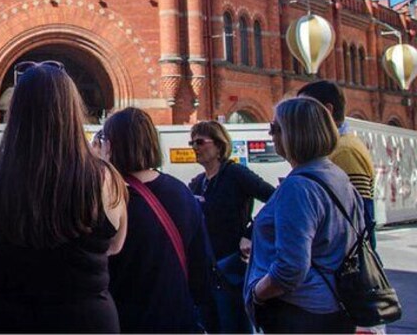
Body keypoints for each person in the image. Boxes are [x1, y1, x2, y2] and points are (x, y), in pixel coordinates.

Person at [0, 62, 127, 333]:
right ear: (72, 110)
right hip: (84, 320)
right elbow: (114, 245)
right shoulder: (105, 177)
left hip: (1, 318)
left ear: (16, 113)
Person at [245, 96, 363, 333]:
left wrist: (257, 293)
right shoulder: (336, 175)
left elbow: (291, 268)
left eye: (274, 129)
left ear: (293, 133)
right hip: (336, 305)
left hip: (300, 311)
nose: (270, 135)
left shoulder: (298, 187)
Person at [105, 108, 216, 333]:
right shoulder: (182, 192)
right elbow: (202, 273)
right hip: (178, 320)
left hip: (127, 322)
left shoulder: (112, 199)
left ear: (113, 145)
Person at [188, 120, 275, 333]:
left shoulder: (235, 174)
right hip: (207, 270)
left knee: (233, 325)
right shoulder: (199, 182)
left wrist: (251, 233)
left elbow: (274, 199)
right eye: (192, 143)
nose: (195, 148)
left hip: (231, 268)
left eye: (200, 142)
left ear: (218, 145)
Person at [298, 80, 377, 247]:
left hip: (342, 265)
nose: (300, 116)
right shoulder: (336, 147)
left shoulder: (345, 150)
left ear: (327, 110)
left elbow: (359, 217)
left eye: (305, 108)